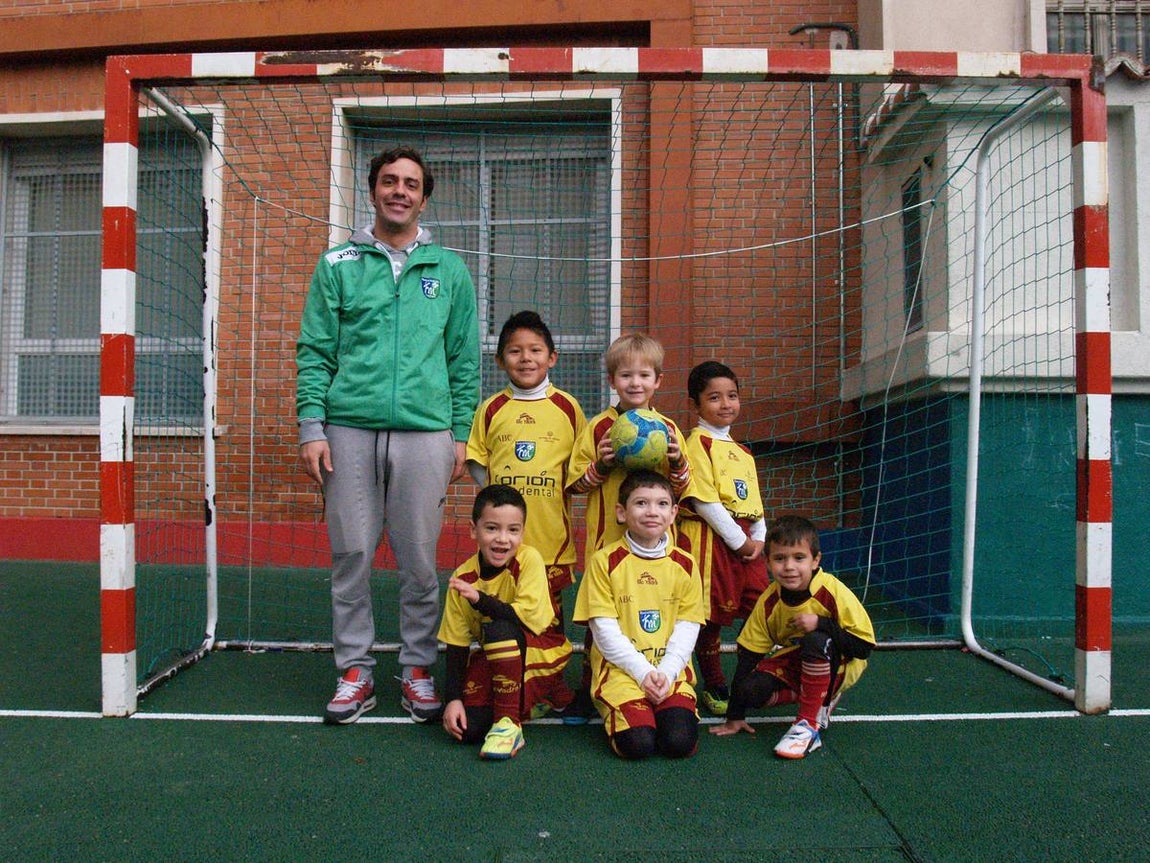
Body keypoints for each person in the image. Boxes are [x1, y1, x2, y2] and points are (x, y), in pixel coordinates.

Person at [296, 146, 480, 725]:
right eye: (388, 181)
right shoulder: (337, 263)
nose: (399, 191)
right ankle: (354, 671)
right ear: (373, 190)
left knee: (420, 561)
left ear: (424, 197)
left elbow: (463, 358)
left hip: (426, 434)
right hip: (347, 429)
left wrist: (460, 434)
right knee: (351, 552)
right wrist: (311, 426)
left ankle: (418, 668)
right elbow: (315, 351)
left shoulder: (449, 269)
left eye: (411, 184)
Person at [564, 332, 692, 721]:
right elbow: (573, 484)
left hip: (657, 550)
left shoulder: (668, 429)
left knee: (653, 612)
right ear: (612, 380)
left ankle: (657, 679)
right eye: (625, 376)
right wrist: (600, 466)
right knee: (600, 620)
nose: (634, 383)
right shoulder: (598, 427)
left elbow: (685, 490)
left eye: (643, 376)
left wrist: (675, 462)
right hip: (608, 544)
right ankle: (591, 688)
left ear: (658, 381)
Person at [465, 310, 584, 716]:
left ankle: (552, 686)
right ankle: (508, 686)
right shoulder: (492, 408)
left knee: (548, 622)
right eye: (514, 351)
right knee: (504, 617)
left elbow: (580, 468)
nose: (526, 358)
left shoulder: (568, 408)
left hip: (551, 541)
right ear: (500, 360)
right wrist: (494, 502)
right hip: (504, 543)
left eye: (535, 350)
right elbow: (478, 459)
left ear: (552, 357)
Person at [710, 515, 875, 759]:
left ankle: (808, 724)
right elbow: (748, 657)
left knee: (815, 639)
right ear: (767, 561)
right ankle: (819, 697)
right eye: (779, 558)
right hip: (799, 661)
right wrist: (735, 716)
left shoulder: (831, 591)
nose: (789, 567)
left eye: (799, 558)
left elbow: (862, 648)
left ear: (815, 560)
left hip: (842, 662)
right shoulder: (769, 601)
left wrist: (822, 623)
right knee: (750, 690)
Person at [572, 469, 705, 759]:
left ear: (673, 514)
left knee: (679, 743)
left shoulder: (686, 563)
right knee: (639, 745)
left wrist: (667, 673)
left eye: (661, 504)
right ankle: (629, 713)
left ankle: (660, 709)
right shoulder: (603, 562)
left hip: (671, 673)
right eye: (641, 503)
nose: (651, 512)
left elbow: (688, 626)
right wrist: (644, 674)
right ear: (621, 512)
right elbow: (604, 632)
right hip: (621, 673)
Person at [438, 485, 571, 759]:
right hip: (497, 657)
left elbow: (525, 620)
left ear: (522, 532)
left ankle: (509, 724)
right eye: (492, 528)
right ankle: (529, 703)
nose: (503, 539)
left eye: (513, 530)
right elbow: (457, 645)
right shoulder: (462, 578)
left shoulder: (530, 560)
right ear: (473, 530)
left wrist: (479, 600)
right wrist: (452, 700)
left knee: (500, 629)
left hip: (541, 649)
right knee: (469, 730)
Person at [676, 361, 770, 717]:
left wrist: (759, 536)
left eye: (732, 396)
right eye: (714, 397)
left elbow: (755, 503)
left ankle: (753, 676)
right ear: (695, 404)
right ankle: (714, 683)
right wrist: (739, 541)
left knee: (762, 606)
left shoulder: (742, 450)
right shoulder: (696, 442)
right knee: (709, 615)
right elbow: (703, 500)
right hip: (711, 540)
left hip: (746, 543)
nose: (725, 404)